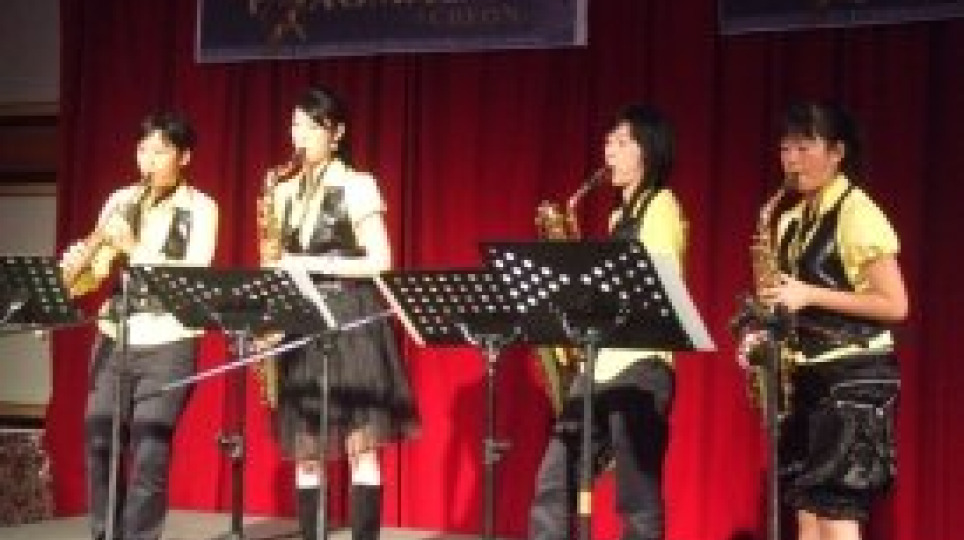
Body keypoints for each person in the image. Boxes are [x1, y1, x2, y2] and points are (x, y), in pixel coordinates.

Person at [740, 101, 908, 540]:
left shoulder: (858, 212)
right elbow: (786, 302)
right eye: (785, 149)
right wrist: (762, 331)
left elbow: (895, 305)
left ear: (837, 153)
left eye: (804, 147)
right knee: (807, 513)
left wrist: (810, 294)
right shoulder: (790, 220)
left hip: (854, 376)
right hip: (808, 376)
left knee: (835, 510)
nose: (792, 160)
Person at [259, 86, 419, 540]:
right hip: (300, 318)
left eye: (313, 127)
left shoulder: (358, 184)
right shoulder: (283, 190)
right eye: (296, 125)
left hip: (351, 316)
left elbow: (380, 261)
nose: (301, 136)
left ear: (337, 133)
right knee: (307, 451)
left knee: (360, 448)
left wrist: (308, 262)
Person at [529, 105, 687, 540]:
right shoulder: (619, 216)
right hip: (598, 365)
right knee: (554, 481)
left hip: (641, 368)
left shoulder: (662, 206)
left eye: (621, 143)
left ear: (648, 151)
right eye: (607, 142)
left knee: (636, 498)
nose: (609, 152)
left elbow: (657, 283)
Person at [60, 112, 219, 540]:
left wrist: (135, 245)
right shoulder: (120, 200)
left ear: (184, 157)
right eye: (142, 149)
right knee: (100, 443)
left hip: (169, 340)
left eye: (160, 151)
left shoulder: (201, 209)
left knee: (150, 450)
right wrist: (78, 267)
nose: (148, 160)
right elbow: (97, 272)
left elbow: (191, 276)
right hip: (115, 336)